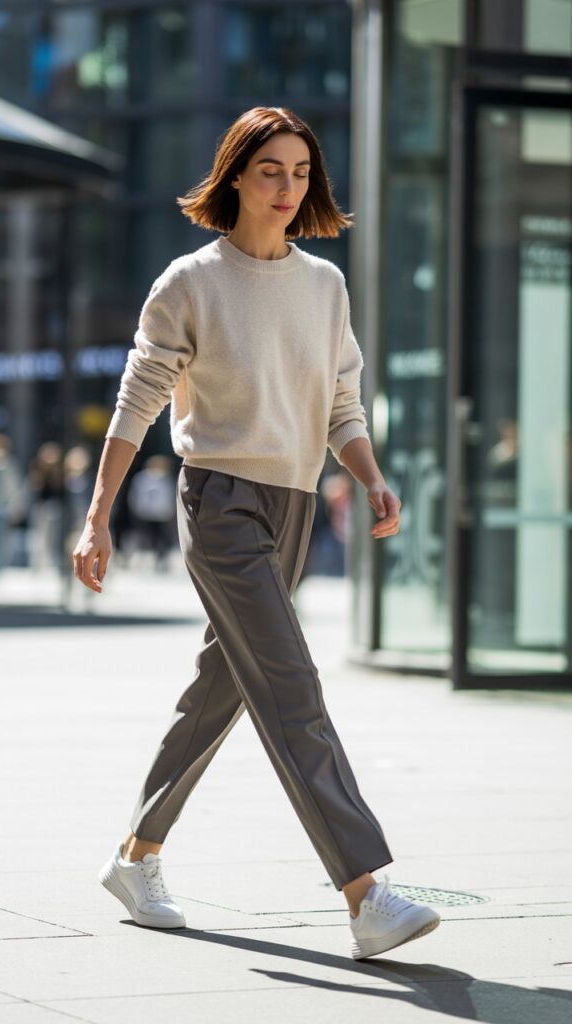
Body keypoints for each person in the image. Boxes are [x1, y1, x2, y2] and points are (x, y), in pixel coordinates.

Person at [72, 106, 441, 961]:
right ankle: (365, 892)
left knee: (225, 684)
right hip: (219, 503)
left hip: (295, 505)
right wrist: (97, 517)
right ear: (235, 174)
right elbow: (139, 402)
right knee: (291, 685)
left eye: (302, 172)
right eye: (270, 170)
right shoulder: (189, 281)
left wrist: (371, 476)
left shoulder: (324, 286)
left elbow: (341, 400)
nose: (287, 187)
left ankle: (136, 855)